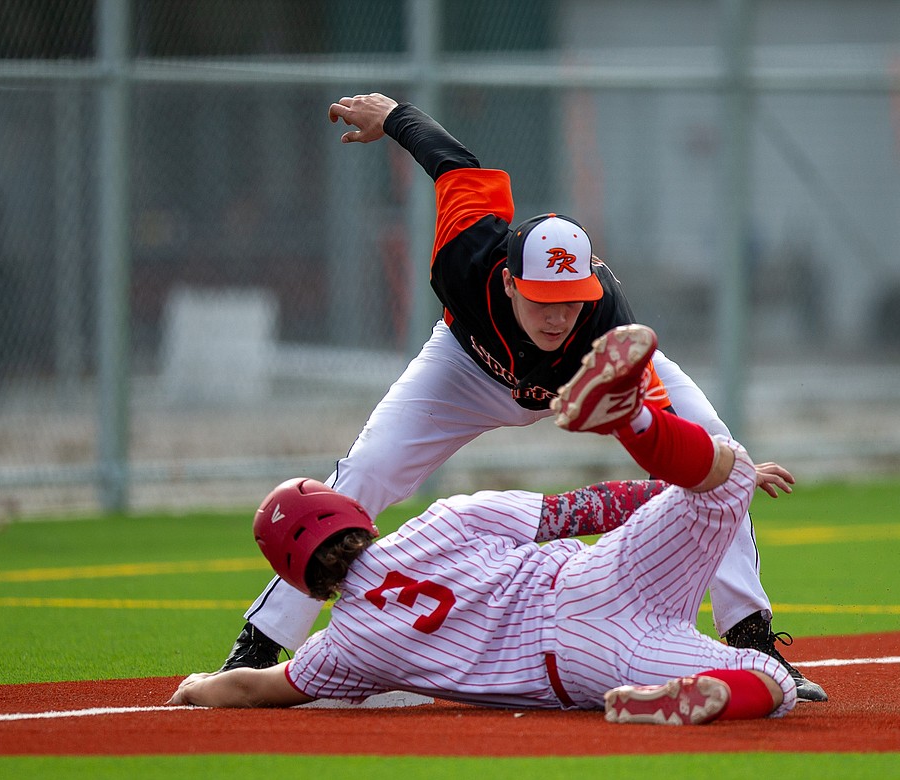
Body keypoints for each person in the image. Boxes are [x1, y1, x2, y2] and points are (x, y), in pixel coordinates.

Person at [219, 91, 827, 702]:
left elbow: (669, 440)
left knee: (721, 451)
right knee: (367, 468)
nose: (559, 313)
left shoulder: (608, 329)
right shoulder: (467, 254)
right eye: (541, 297)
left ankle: (750, 636)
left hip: (580, 381)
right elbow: (456, 165)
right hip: (466, 368)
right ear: (509, 281)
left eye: (572, 297)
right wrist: (396, 119)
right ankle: (261, 640)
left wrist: (719, 470)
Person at [171, 325, 798, 724]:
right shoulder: (443, 521)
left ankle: (699, 694)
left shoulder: (344, 647)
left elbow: (254, 690)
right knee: (730, 472)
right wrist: (693, 488)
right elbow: (584, 510)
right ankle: (634, 422)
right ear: (350, 514)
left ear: (299, 579)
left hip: (578, 662)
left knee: (762, 684)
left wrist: (199, 686)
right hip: (597, 576)